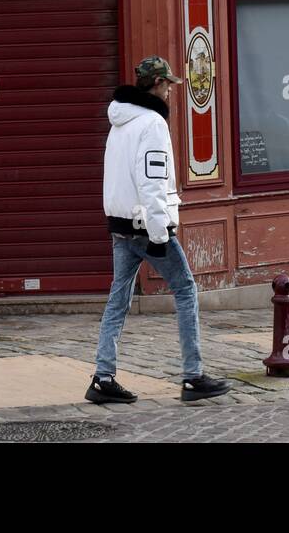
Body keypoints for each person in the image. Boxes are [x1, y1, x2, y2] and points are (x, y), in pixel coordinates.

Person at [87, 56, 231, 404]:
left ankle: (103, 377)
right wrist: (159, 231)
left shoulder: (120, 121)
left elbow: (117, 176)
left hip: (121, 224)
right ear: (156, 84)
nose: (170, 90)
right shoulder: (151, 123)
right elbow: (151, 179)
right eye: (167, 84)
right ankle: (193, 376)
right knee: (185, 290)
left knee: (118, 298)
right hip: (146, 225)